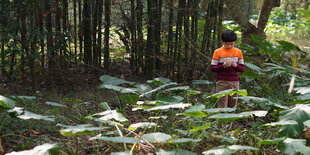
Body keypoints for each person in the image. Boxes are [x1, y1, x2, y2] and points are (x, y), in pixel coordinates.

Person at [210, 29, 245, 109]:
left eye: (231, 44)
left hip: (234, 82)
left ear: (235, 42)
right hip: (222, 82)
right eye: (227, 44)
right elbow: (212, 68)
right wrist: (223, 66)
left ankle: (230, 122)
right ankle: (221, 121)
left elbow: (242, 69)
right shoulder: (217, 52)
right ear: (222, 41)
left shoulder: (238, 52)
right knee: (222, 105)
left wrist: (235, 65)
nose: (229, 46)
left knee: (232, 105)